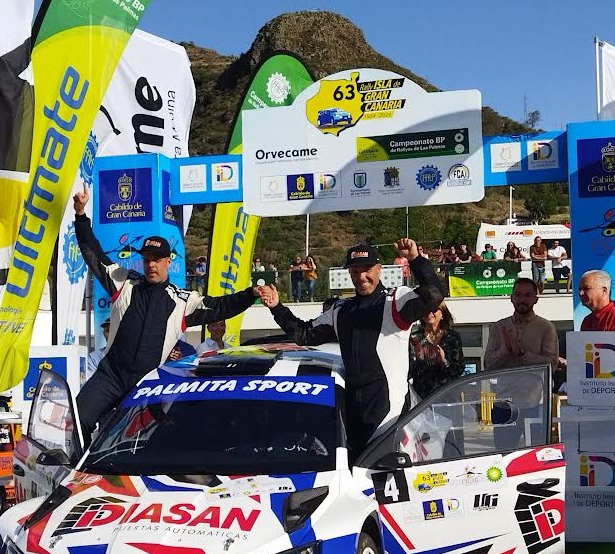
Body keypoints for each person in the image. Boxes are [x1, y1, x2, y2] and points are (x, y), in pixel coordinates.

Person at [71, 186, 265, 434]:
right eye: (147, 259)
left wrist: (251, 294)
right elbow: (93, 253)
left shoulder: (183, 301)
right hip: (111, 377)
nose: (151, 264)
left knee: (144, 440)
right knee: (78, 421)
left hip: (147, 385)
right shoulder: (123, 282)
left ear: (168, 261)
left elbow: (220, 307)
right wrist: (80, 215)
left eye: (157, 259)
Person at [261, 238, 443, 457]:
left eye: (367, 270)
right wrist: (277, 307)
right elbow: (304, 334)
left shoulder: (395, 301)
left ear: (379, 269)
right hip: (352, 412)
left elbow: (434, 295)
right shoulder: (341, 310)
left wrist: (415, 259)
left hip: (390, 413)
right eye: (355, 272)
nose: (361, 277)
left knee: (382, 469)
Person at [484, 278, 561, 449]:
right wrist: (505, 351)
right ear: (511, 298)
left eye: (527, 295)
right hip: (504, 404)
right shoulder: (498, 327)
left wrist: (523, 354)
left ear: (535, 299)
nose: (522, 299)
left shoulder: (546, 328)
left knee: (537, 455)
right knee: (503, 457)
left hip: (535, 405)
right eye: (518, 295)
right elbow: (487, 364)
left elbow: (552, 364)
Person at [409, 303, 465, 400]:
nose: (429, 313)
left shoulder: (452, 337)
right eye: (426, 310)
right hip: (422, 398)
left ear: (442, 314)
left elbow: (459, 369)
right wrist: (419, 360)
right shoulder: (415, 337)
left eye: (434, 310)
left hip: (447, 394)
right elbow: (408, 371)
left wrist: (444, 361)